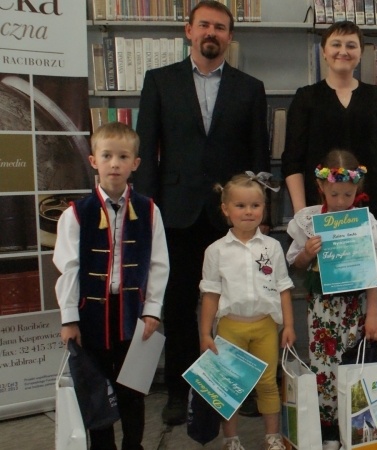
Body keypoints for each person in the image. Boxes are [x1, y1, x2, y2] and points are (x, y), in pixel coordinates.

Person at [134, 0, 269, 424]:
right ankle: (180, 391)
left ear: (230, 36)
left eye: (221, 27)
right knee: (177, 305)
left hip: (231, 218)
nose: (213, 33)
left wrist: (254, 214)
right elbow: (146, 148)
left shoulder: (250, 87)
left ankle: (235, 389)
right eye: (205, 25)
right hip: (176, 215)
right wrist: (149, 211)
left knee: (237, 307)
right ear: (188, 30)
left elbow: (257, 157)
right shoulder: (159, 81)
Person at [54, 122, 169, 450]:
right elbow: (69, 268)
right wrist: (68, 318)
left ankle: (134, 445)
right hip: (91, 317)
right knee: (96, 390)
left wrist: (152, 311)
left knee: (133, 389)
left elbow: (159, 265)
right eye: (107, 156)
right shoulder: (77, 213)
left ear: (136, 163)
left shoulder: (149, 210)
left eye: (122, 156)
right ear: (93, 161)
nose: (114, 163)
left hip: (134, 314)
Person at [281, 20, 377, 307]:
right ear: (324, 52)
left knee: (371, 295)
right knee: (328, 298)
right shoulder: (306, 98)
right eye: (336, 44)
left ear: (361, 53)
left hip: (373, 211)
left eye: (351, 45)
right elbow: (292, 161)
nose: (343, 51)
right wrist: (304, 215)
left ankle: (365, 350)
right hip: (322, 212)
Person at [285, 150, 377, 450]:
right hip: (321, 308)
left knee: (353, 364)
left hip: (354, 306)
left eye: (348, 194)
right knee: (324, 366)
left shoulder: (361, 222)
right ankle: (328, 430)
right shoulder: (310, 221)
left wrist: (374, 314)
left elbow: (373, 271)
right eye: (335, 194)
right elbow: (296, 265)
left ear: (358, 190)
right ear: (321, 189)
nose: (342, 201)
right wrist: (307, 253)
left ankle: (354, 425)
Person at [199, 173, 294, 450]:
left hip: (265, 326)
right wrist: (205, 333)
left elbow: (284, 288)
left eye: (255, 205)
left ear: (263, 209)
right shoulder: (216, 251)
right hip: (230, 328)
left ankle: (272, 437)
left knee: (267, 383)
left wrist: (288, 325)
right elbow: (210, 295)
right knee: (230, 388)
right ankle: (231, 439)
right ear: (226, 210)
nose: (248, 211)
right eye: (240, 206)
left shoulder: (272, 247)